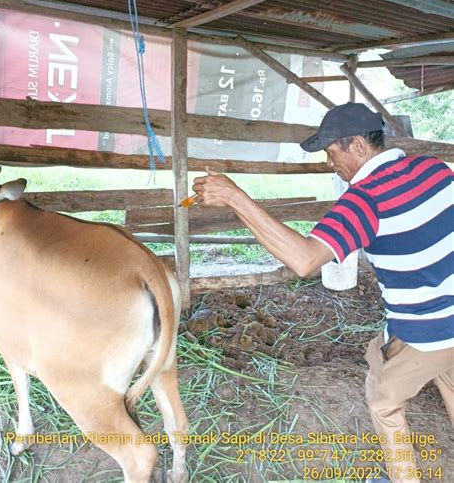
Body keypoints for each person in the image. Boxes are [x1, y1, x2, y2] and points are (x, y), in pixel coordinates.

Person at [192, 102, 453, 483]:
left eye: (333, 153)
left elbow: (304, 260)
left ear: (359, 147)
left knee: (383, 399)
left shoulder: (365, 200)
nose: (331, 164)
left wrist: (236, 199)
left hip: (427, 329)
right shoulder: (434, 169)